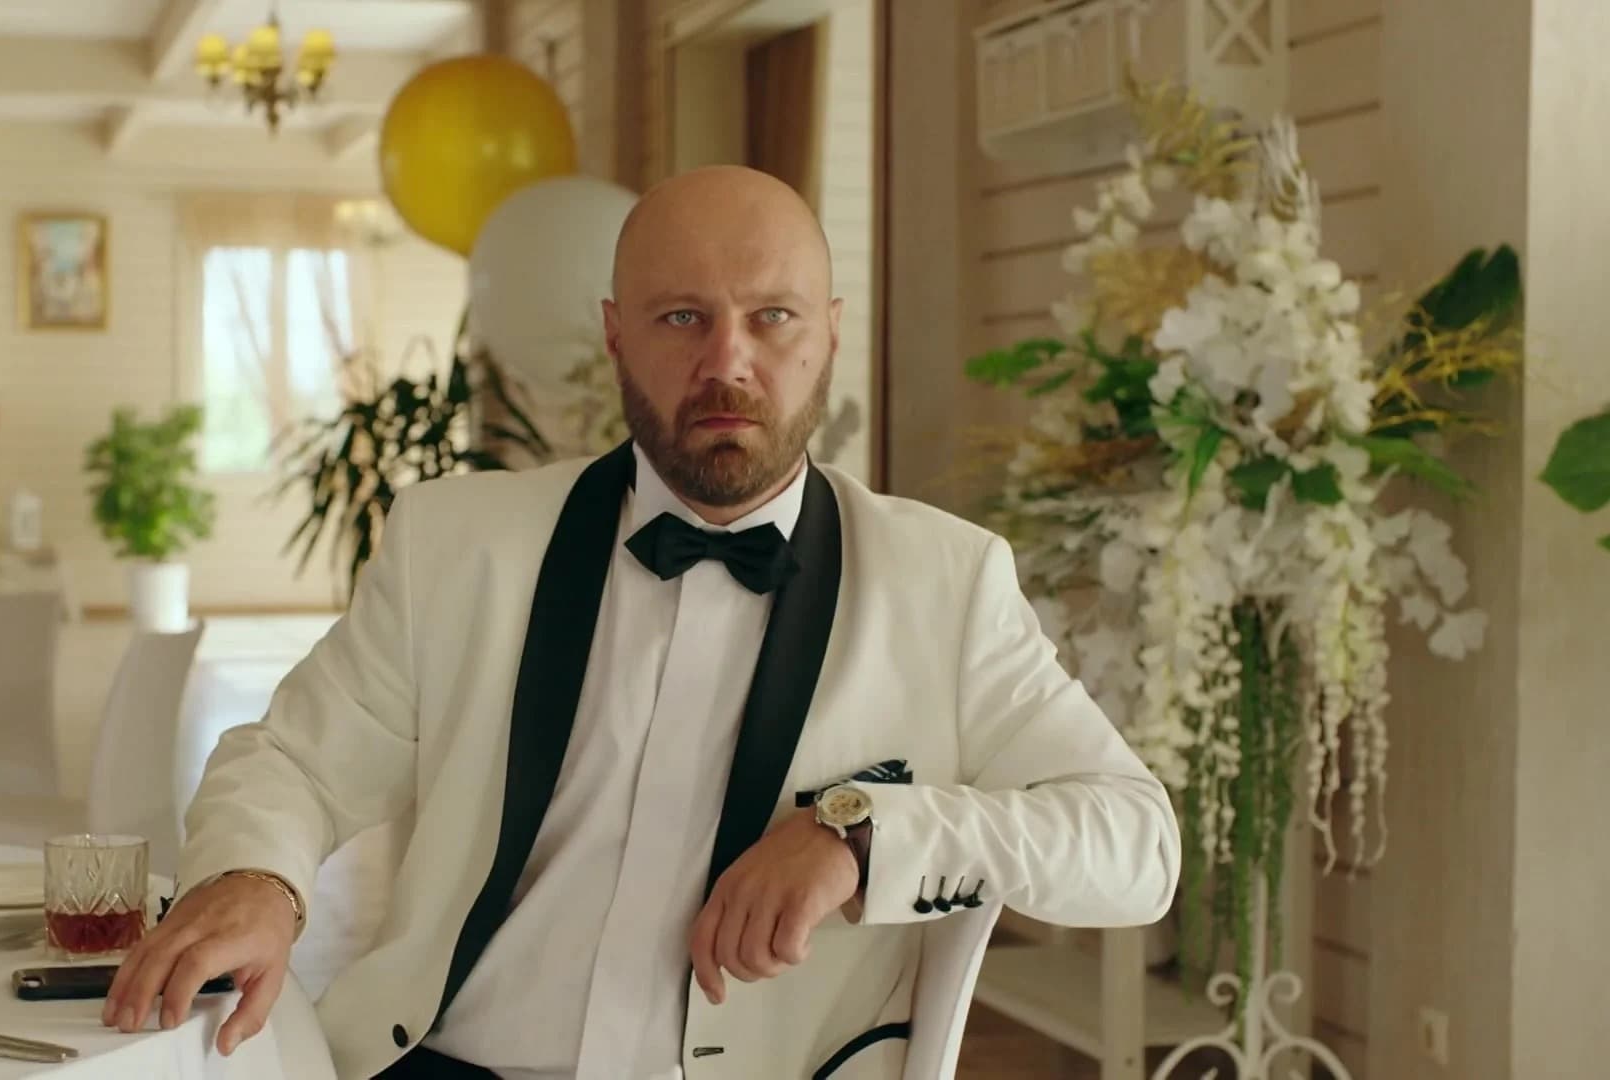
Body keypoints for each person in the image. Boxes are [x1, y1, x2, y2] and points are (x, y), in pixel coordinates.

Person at [103, 165, 1180, 1079]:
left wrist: (862, 835)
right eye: (681, 317)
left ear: (830, 333)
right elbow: (291, 760)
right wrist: (257, 880)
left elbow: (1136, 845)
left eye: (772, 316)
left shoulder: (946, 582)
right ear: (616, 335)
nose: (727, 361)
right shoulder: (457, 545)